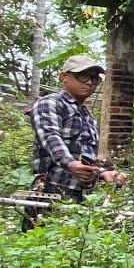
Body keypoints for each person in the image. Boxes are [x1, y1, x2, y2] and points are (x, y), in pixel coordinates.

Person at [22, 55, 126, 229]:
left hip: (80, 194)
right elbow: (51, 137)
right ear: (64, 77)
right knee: (42, 247)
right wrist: (71, 164)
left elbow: (84, 155)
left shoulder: (88, 116)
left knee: (73, 248)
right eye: (83, 76)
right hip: (51, 190)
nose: (90, 83)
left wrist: (102, 173)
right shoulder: (50, 103)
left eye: (94, 78)